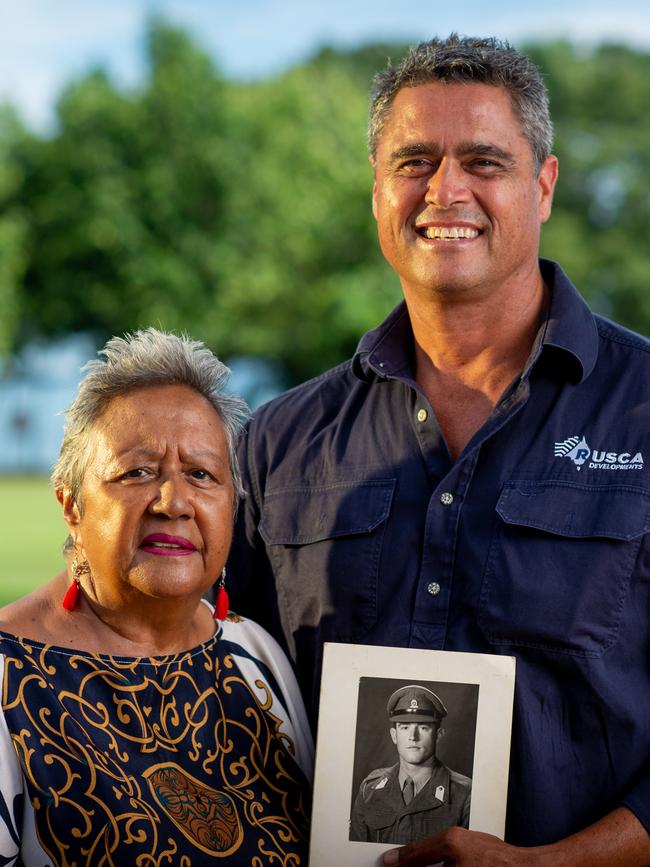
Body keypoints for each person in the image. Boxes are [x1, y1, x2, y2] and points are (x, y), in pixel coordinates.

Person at [227, 35, 650, 866]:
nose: (445, 189)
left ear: (545, 186)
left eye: (484, 161)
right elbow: (208, 679)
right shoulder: (276, 442)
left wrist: (551, 864)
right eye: (414, 160)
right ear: (378, 191)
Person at [0, 329, 313, 866]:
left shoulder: (253, 654)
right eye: (138, 472)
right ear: (71, 505)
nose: (174, 502)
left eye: (201, 474)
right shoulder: (8, 678)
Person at [350, 685, 471, 844]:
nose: (413, 737)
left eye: (423, 727)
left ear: (438, 735)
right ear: (394, 735)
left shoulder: (465, 794)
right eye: (405, 727)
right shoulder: (370, 788)